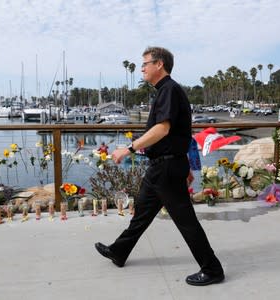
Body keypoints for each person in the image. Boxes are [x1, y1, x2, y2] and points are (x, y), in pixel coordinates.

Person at [94, 46, 224, 286]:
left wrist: (129, 148)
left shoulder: (169, 91)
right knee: (142, 213)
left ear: (159, 64)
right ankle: (119, 251)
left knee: (186, 221)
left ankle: (212, 269)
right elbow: (179, 133)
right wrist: (185, 168)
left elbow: (163, 129)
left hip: (166, 168)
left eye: (145, 63)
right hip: (162, 167)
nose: (142, 68)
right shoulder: (165, 91)